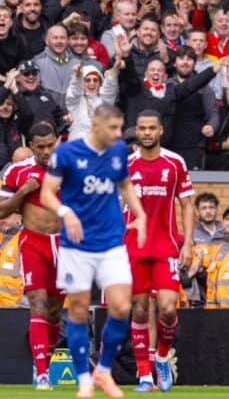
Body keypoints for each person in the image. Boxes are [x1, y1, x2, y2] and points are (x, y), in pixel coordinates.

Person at [40, 104, 147, 398]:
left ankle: (103, 370)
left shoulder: (118, 152)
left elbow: (125, 184)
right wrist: (65, 212)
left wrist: (140, 214)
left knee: (122, 307)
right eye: (113, 128)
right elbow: (46, 193)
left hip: (112, 242)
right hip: (76, 245)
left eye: (119, 128)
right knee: (77, 308)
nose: (118, 134)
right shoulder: (67, 153)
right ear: (96, 126)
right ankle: (84, 379)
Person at [125, 110, 195, 392]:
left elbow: (187, 204)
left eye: (151, 128)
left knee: (167, 309)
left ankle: (163, 357)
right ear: (137, 131)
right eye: (142, 128)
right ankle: (144, 375)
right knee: (140, 310)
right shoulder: (126, 164)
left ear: (161, 130)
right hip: (134, 248)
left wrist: (188, 243)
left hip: (165, 245)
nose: (146, 133)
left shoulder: (174, 162)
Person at [0, 122, 63, 390]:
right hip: (34, 242)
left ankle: (45, 359)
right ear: (31, 146)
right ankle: (42, 373)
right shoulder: (18, 172)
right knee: (36, 302)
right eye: (40, 147)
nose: (46, 151)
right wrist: (24, 192)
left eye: (50, 145)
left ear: (57, 142)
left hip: (65, 246)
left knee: (54, 311)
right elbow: (2, 211)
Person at [165, 45, 219, 170]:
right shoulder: (167, 85)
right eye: (181, 58)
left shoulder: (204, 87)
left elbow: (213, 112)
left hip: (194, 145)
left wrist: (212, 126)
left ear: (195, 64)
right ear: (174, 63)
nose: (185, 62)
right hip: (169, 143)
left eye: (189, 59)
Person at [66, 60, 121, 141]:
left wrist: (114, 71)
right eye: (87, 80)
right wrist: (78, 77)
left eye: (95, 80)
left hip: (100, 146)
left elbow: (109, 89)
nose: (92, 83)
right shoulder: (75, 102)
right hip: (78, 147)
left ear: (100, 83)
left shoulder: (104, 101)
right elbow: (74, 91)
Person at [188, 192, 225, 308]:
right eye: (204, 208)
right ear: (198, 211)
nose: (208, 211)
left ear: (217, 209)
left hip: (223, 283)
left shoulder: (226, 231)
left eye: (211, 207)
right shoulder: (192, 234)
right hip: (201, 287)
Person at [34, 24, 77, 108]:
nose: (59, 41)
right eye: (55, 38)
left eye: (62, 38)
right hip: (47, 114)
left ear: (68, 41)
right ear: (47, 41)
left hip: (73, 114)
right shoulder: (37, 62)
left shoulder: (77, 63)